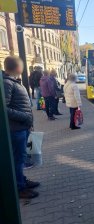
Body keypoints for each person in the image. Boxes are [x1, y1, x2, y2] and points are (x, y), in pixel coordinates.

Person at [3, 56, 40, 199]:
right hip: (16, 129)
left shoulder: (13, 81)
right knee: (19, 159)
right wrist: (25, 117)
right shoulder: (7, 83)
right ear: (18, 67)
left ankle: (21, 181)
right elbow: (4, 109)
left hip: (21, 128)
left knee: (21, 158)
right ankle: (19, 188)